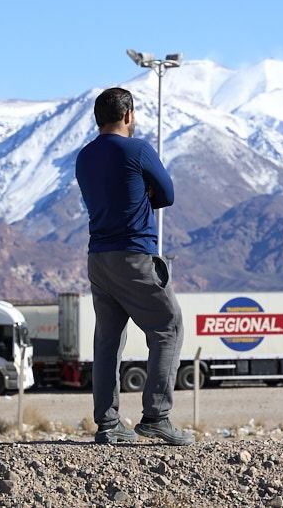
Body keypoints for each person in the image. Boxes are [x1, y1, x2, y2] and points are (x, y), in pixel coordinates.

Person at [74, 87, 193, 446]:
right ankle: (157, 416)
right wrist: (145, 194)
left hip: (99, 258)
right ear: (128, 115)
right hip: (134, 255)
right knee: (168, 328)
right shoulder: (138, 149)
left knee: (108, 340)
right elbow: (167, 195)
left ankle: (108, 425)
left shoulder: (84, 157)